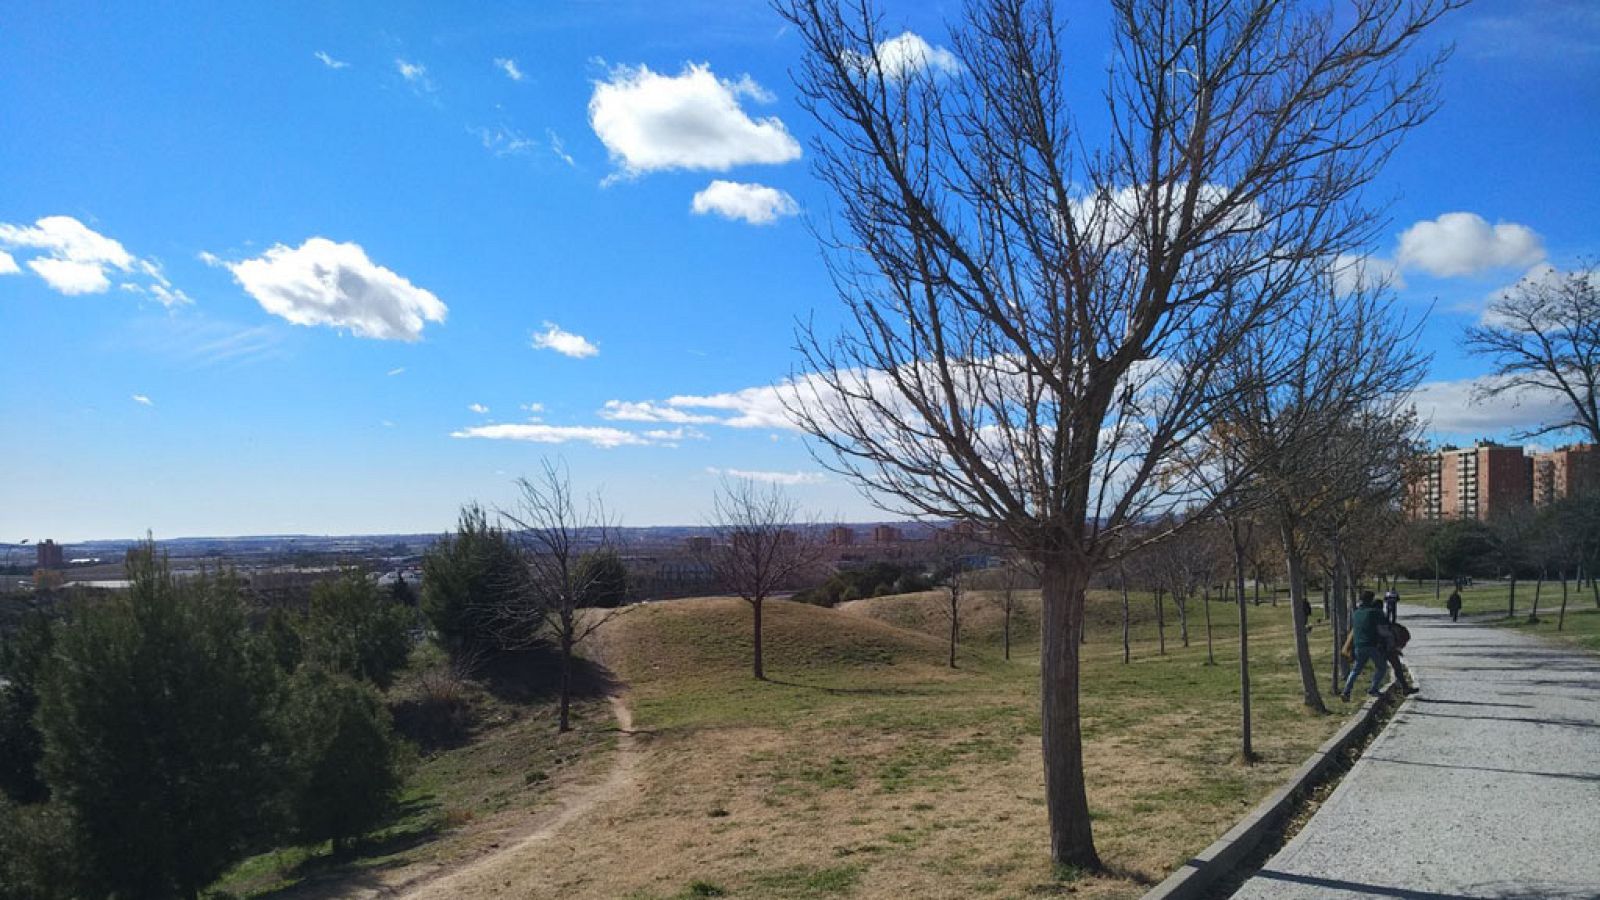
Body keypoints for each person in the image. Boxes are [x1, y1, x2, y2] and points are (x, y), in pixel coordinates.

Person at [1341, 591, 1388, 701]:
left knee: (1356, 669)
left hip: (1358, 645)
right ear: (1371, 600)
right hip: (1372, 645)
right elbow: (1382, 630)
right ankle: (1373, 688)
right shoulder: (1374, 613)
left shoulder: (1356, 613)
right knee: (1381, 667)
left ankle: (1346, 691)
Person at [1384, 620, 1419, 695]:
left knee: (1397, 667)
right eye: (1404, 644)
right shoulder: (1396, 633)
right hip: (1384, 648)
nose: (1404, 646)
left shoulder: (1396, 631)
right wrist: (1396, 649)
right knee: (1391, 667)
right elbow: (1390, 645)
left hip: (1388, 648)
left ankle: (1405, 688)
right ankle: (1405, 688)